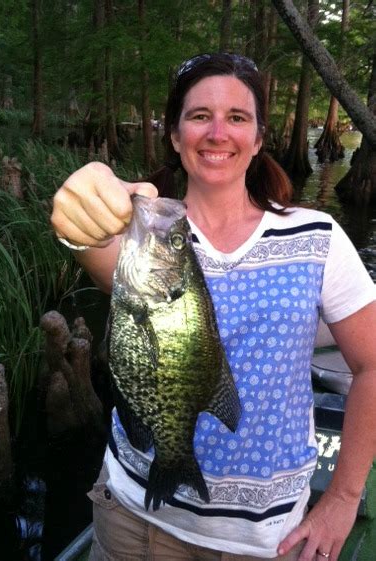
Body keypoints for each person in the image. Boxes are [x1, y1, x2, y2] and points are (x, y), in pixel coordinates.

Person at [51, 52, 376, 561]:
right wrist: (81, 203)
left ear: (259, 138)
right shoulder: (144, 232)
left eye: (237, 117)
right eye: (200, 116)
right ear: (177, 136)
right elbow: (88, 238)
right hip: (129, 513)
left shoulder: (318, 238)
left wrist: (342, 497)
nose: (218, 132)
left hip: (260, 543)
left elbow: (372, 364)